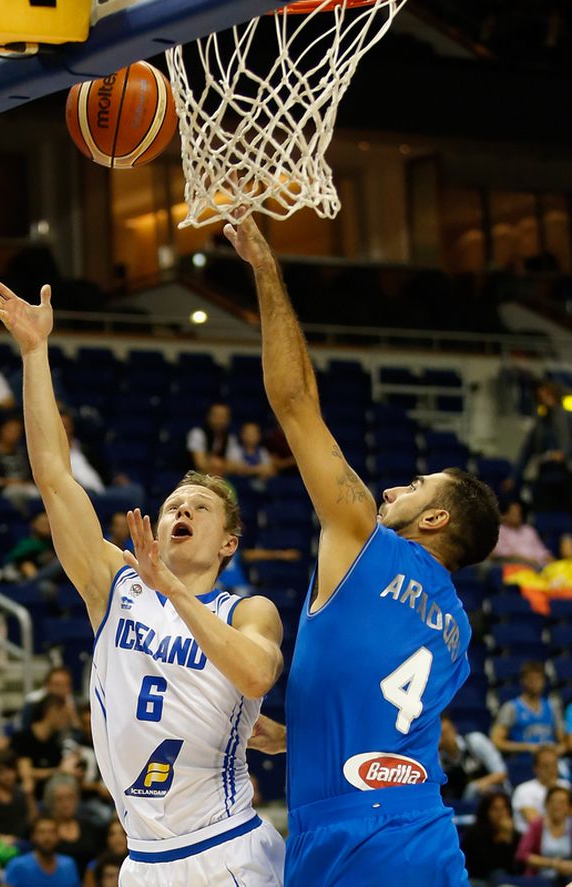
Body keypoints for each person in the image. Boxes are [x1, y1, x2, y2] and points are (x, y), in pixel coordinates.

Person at [0, 275, 286, 885]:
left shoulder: (247, 610)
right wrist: (35, 355)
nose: (181, 511)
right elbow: (55, 477)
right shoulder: (116, 585)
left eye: (199, 506)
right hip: (141, 861)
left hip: (224, 847)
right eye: (173, 504)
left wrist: (170, 586)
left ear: (228, 542)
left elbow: (255, 674)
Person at [224, 209, 501, 886]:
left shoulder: (363, 542)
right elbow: (383, 714)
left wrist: (266, 274)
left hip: (347, 833)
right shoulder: (457, 631)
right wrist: (300, 735)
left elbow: (294, 403)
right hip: (422, 828)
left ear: (434, 517)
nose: (391, 488)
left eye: (413, 484)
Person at [505, 380, 572, 513]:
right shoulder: (539, 423)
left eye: (547, 395)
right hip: (545, 472)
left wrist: (564, 453)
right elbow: (526, 451)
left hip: (566, 471)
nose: (545, 400)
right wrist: (513, 477)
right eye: (541, 397)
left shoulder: (567, 416)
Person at [60, 413, 144, 509]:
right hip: (83, 495)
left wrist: (114, 477)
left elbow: (102, 468)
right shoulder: (56, 455)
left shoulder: (84, 447)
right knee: (133, 494)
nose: (65, 430)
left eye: (66, 426)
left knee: (134, 490)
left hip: (101, 492)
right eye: (61, 426)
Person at [491, 661, 566, 756]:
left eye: (539, 679)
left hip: (550, 759)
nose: (535, 683)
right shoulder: (511, 708)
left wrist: (555, 750)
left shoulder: (552, 706)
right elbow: (497, 742)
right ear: (523, 681)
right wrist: (525, 747)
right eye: (531, 679)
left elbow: (563, 742)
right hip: (524, 760)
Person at [9, 695, 76, 800]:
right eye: (64, 715)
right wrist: (60, 771)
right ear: (52, 712)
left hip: (51, 797)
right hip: (25, 797)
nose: (66, 721)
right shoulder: (23, 738)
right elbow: (26, 772)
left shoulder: (55, 742)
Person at [43, 773, 102, 878]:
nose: (66, 804)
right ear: (50, 802)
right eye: (60, 799)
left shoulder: (89, 826)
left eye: (70, 797)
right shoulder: (44, 830)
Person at [439, 713, 508, 802]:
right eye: (441, 734)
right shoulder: (438, 759)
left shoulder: (475, 741)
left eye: (448, 731)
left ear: (454, 728)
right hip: (461, 803)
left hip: (493, 793)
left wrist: (476, 786)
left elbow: (501, 773)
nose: (447, 738)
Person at [461, 791, 521, 887]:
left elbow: (517, 868)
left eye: (504, 808)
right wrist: (500, 840)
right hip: (478, 878)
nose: (500, 813)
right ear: (486, 811)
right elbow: (479, 866)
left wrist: (508, 840)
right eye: (495, 809)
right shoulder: (475, 833)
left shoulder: (515, 835)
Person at [0, 816, 80, 887]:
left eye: (52, 832)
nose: (47, 837)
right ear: (32, 836)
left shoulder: (69, 865)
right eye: (41, 832)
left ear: (59, 836)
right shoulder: (17, 865)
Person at [516, 785, 572, 880]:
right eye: (553, 801)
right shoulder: (536, 825)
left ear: (569, 806)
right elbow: (522, 854)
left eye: (562, 802)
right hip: (539, 878)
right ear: (546, 804)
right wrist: (552, 864)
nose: (557, 806)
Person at [512, 746, 571, 833]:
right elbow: (534, 821)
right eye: (546, 766)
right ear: (535, 768)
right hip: (532, 839)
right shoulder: (524, 790)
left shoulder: (565, 786)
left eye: (554, 765)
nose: (551, 769)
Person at [491, 500, 553, 568]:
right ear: (505, 515)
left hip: (537, 566)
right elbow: (499, 553)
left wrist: (549, 558)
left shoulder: (529, 530)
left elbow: (541, 551)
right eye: (514, 513)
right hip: (514, 567)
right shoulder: (501, 531)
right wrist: (525, 560)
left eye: (519, 513)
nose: (518, 515)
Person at [18, 667, 78, 732]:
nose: (61, 689)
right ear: (47, 686)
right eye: (57, 685)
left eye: (65, 685)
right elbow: (26, 730)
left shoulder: (75, 705)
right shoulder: (33, 703)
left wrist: (73, 717)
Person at [185, 402, 239, 474]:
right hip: (194, 478)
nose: (219, 420)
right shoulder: (197, 434)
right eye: (216, 415)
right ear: (209, 416)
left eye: (223, 416)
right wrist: (221, 464)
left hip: (219, 478)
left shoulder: (230, 438)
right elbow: (200, 464)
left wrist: (217, 464)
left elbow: (233, 466)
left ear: (228, 419)